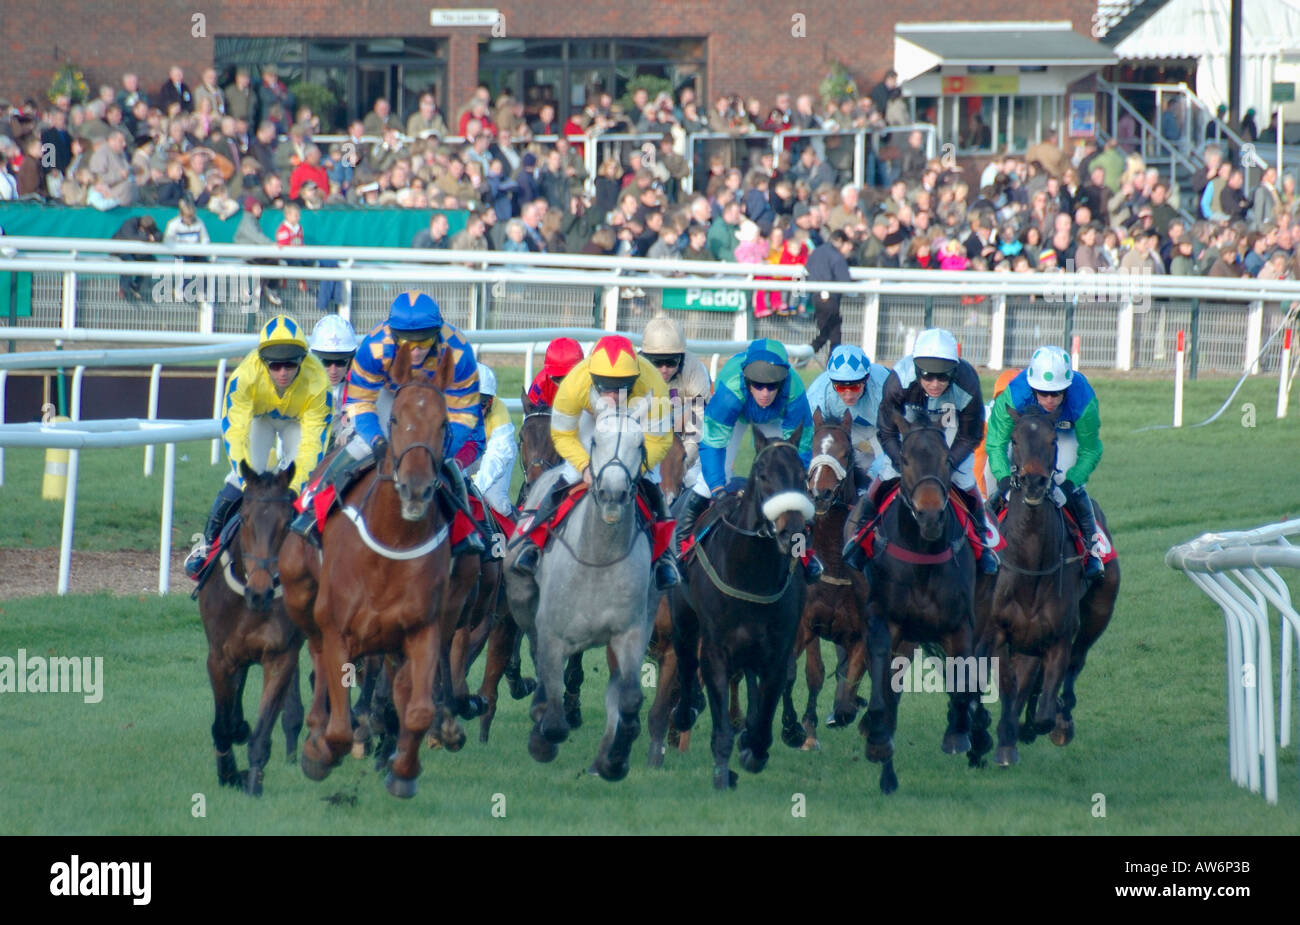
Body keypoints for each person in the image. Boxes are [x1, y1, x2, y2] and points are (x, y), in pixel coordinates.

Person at [288, 292, 486, 557]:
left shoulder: (458, 350)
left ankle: (466, 531)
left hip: (436, 397)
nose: (415, 350)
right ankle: (313, 507)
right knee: (360, 447)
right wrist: (377, 441)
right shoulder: (374, 348)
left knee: (448, 464)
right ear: (394, 335)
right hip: (388, 394)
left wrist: (442, 450)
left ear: (437, 334)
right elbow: (360, 403)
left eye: (424, 341)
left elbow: (464, 411)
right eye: (407, 342)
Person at [509, 334, 681, 591]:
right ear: (593, 379)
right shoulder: (576, 382)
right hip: (592, 422)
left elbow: (660, 441)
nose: (612, 395)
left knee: (652, 483)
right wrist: (584, 466)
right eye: (606, 387)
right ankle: (533, 544)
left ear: (635, 380)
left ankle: (665, 557)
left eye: (621, 387)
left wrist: (632, 470)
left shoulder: (653, 384)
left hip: (636, 429)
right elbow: (562, 435)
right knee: (566, 477)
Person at [185, 314, 333, 578]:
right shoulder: (244, 377)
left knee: (302, 479)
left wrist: (294, 487)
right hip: (259, 419)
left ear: (303, 359)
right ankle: (206, 547)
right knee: (240, 473)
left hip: (297, 423)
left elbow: (312, 445)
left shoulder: (318, 382)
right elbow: (235, 434)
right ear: (263, 361)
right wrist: (247, 481)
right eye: (275, 366)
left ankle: (309, 552)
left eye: (290, 364)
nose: (283, 372)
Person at [841, 328, 998, 575]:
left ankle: (982, 544)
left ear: (954, 371)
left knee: (964, 479)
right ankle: (862, 535)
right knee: (887, 475)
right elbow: (886, 430)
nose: (935, 384)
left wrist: (948, 462)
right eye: (927, 376)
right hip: (909, 432)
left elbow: (971, 433)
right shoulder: (899, 380)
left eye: (942, 377)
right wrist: (900, 461)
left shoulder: (967, 382)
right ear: (916, 369)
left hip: (951, 432)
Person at [675, 338, 822, 582]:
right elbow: (712, 445)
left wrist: (795, 484)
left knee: (789, 486)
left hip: (778, 418)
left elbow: (802, 448)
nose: (765, 393)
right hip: (736, 416)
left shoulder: (794, 392)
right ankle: (682, 550)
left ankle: (802, 555)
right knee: (705, 482)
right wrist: (718, 489)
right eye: (758, 385)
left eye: (772, 386)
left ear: (782, 382)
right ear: (746, 380)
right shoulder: (730, 393)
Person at [984, 346, 1105, 579]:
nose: (1049, 400)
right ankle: (984, 542)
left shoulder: (1083, 399)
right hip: (1025, 433)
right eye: (1042, 393)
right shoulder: (1014, 394)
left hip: (1063, 433)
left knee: (1062, 479)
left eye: (1057, 393)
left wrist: (1070, 484)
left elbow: (1091, 450)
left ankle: (1092, 550)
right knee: (991, 472)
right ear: (1032, 387)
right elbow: (996, 444)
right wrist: (1004, 480)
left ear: (1067, 389)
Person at [639, 315, 713, 496]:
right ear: (645, 357)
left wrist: (683, 463)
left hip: (686, 440)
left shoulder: (695, 371)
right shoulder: (633, 369)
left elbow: (697, 426)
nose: (664, 369)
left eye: (671, 362)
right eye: (657, 362)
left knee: (697, 484)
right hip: (645, 438)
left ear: (681, 358)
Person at [804, 344, 891, 483]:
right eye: (840, 387)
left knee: (886, 470)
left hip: (883, 429)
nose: (848, 395)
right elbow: (810, 440)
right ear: (832, 383)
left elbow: (896, 435)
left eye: (855, 387)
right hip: (842, 431)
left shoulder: (885, 387)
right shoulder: (818, 396)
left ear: (866, 379)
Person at [467, 362, 517, 519]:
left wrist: (477, 487)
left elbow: (497, 457)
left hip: (494, 456)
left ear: (490, 403)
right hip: (464, 455)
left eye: (480, 404)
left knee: (497, 503)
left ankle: (518, 540)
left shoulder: (499, 413)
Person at [308, 314, 358, 446]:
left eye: (340, 362)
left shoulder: (360, 383)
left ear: (351, 360)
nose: (333, 370)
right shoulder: (301, 382)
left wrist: (353, 429)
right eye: (326, 362)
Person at [806, 229, 855, 361]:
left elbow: (808, 267)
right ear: (840, 242)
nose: (849, 249)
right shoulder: (836, 256)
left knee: (831, 333)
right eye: (848, 245)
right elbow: (845, 280)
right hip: (830, 301)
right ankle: (804, 355)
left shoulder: (817, 252)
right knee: (829, 334)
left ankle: (807, 356)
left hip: (817, 298)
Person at [525, 336, 584, 409]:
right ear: (549, 374)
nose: (563, 385)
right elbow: (533, 418)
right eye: (558, 378)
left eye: (568, 378)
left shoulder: (592, 380)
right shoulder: (541, 385)